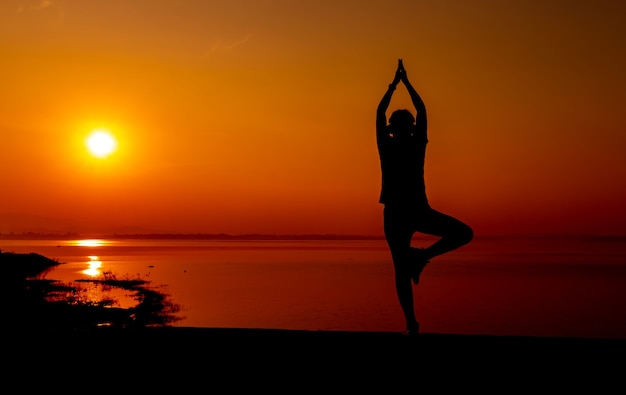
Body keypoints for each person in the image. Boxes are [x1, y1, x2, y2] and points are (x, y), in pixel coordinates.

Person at [376, 59, 473, 336]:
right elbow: (412, 111)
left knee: (462, 234)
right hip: (401, 212)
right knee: (401, 267)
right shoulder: (398, 143)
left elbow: (388, 112)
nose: (407, 127)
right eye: (404, 124)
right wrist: (402, 84)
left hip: (409, 211)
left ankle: (419, 262)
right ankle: (411, 322)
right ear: (398, 128)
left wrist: (396, 85)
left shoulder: (399, 143)